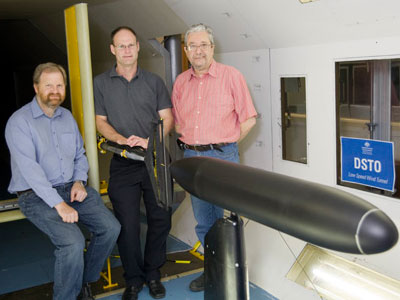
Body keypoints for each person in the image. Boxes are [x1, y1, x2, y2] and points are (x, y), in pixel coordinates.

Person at [5, 62, 121, 300]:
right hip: (35, 195)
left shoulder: (66, 117)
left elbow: (79, 155)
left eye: (59, 85)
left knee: (111, 228)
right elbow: (30, 170)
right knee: (72, 242)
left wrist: (79, 182)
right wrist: (59, 205)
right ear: (36, 87)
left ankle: (83, 282)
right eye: (49, 85)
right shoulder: (19, 122)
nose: (55, 90)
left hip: (70, 188)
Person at [171, 23, 257, 292]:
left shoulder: (232, 76)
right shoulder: (181, 82)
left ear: (212, 47)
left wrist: (225, 144)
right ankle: (212, 272)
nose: (198, 51)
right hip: (192, 158)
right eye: (193, 46)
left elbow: (249, 119)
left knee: (230, 220)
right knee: (204, 220)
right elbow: (176, 121)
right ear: (185, 50)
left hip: (224, 158)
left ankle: (233, 275)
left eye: (203, 45)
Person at [93, 26, 174, 300]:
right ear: (112, 50)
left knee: (161, 218)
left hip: (155, 160)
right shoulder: (100, 83)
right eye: (121, 46)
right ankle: (133, 279)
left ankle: (152, 273)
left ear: (138, 47)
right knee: (126, 224)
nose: (127, 50)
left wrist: (151, 141)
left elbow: (167, 118)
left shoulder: (154, 82)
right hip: (123, 161)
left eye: (131, 45)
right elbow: (100, 121)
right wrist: (121, 139)